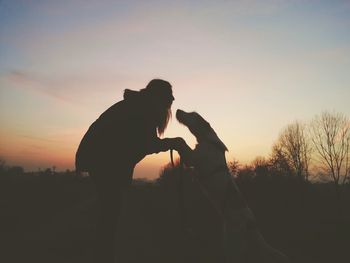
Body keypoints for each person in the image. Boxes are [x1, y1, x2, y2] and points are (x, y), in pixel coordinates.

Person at [75, 79, 184, 263]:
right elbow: (146, 144)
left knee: (110, 210)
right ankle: (103, 255)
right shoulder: (142, 109)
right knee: (111, 211)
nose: (172, 100)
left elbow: (135, 144)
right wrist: (175, 143)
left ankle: (102, 252)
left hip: (99, 159)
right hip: (101, 160)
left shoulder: (139, 105)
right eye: (167, 97)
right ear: (157, 97)